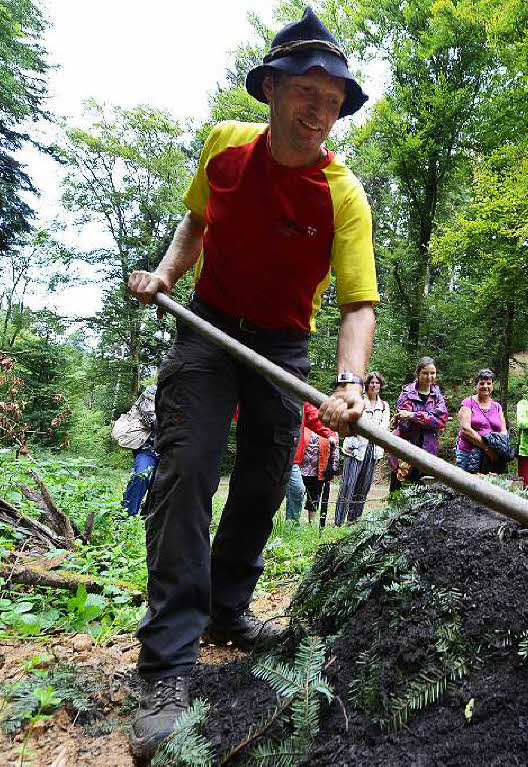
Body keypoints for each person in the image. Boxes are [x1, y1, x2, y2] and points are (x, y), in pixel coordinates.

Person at [124, 8, 377, 758]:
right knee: (188, 467)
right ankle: (166, 662)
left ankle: (228, 609)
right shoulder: (225, 148)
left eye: (334, 102)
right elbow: (195, 225)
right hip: (208, 327)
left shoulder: (343, 195)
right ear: (270, 88)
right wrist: (167, 274)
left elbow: (358, 303)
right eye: (308, 91)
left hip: (283, 344)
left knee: (268, 480)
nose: (320, 112)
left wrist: (349, 383)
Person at [336, 371, 389, 525]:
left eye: (377, 383)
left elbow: (383, 428)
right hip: (355, 448)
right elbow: (353, 424)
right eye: (371, 382)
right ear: (366, 385)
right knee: (347, 484)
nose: (374, 385)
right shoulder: (358, 402)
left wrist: (371, 432)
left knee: (363, 486)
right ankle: (339, 521)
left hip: (373, 450)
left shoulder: (384, 406)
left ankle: (354, 520)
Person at [389, 357, 448, 491]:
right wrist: (429, 418)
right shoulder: (406, 393)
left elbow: (441, 420)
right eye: (425, 373)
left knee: (422, 493)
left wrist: (414, 415)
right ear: (418, 374)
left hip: (428, 450)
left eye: (432, 373)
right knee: (399, 491)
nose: (429, 377)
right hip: (404, 449)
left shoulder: (437, 396)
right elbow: (404, 423)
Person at [285, 401, 336, 522]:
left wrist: (329, 434)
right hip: (270, 452)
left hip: (293, 458)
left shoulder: (301, 399)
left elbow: (314, 418)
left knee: (297, 489)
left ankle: (292, 526)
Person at [456, 369, 509, 474]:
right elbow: (465, 430)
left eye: (489, 383)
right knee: (465, 487)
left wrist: (498, 449)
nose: (485, 386)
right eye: (482, 383)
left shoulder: (497, 407)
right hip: (468, 453)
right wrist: (487, 448)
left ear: (492, 386)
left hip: (492, 457)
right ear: (476, 386)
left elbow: (504, 431)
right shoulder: (468, 403)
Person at [118, 385, 159, 517]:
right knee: (141, 476)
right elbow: (151, 421)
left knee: (161, 483)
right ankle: (126, 516)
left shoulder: (183, 394)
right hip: (148, 449)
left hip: (170, 451)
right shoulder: (151, 391)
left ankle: (149, 515)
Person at [297, 414, 338, 528]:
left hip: (319, 470)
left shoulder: (331, 429)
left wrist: (332, 469)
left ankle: (311, 522)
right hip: (301, 468)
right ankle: (295, 519)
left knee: (315, 497)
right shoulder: (304, 425)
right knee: (298, 493)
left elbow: (335, 451)